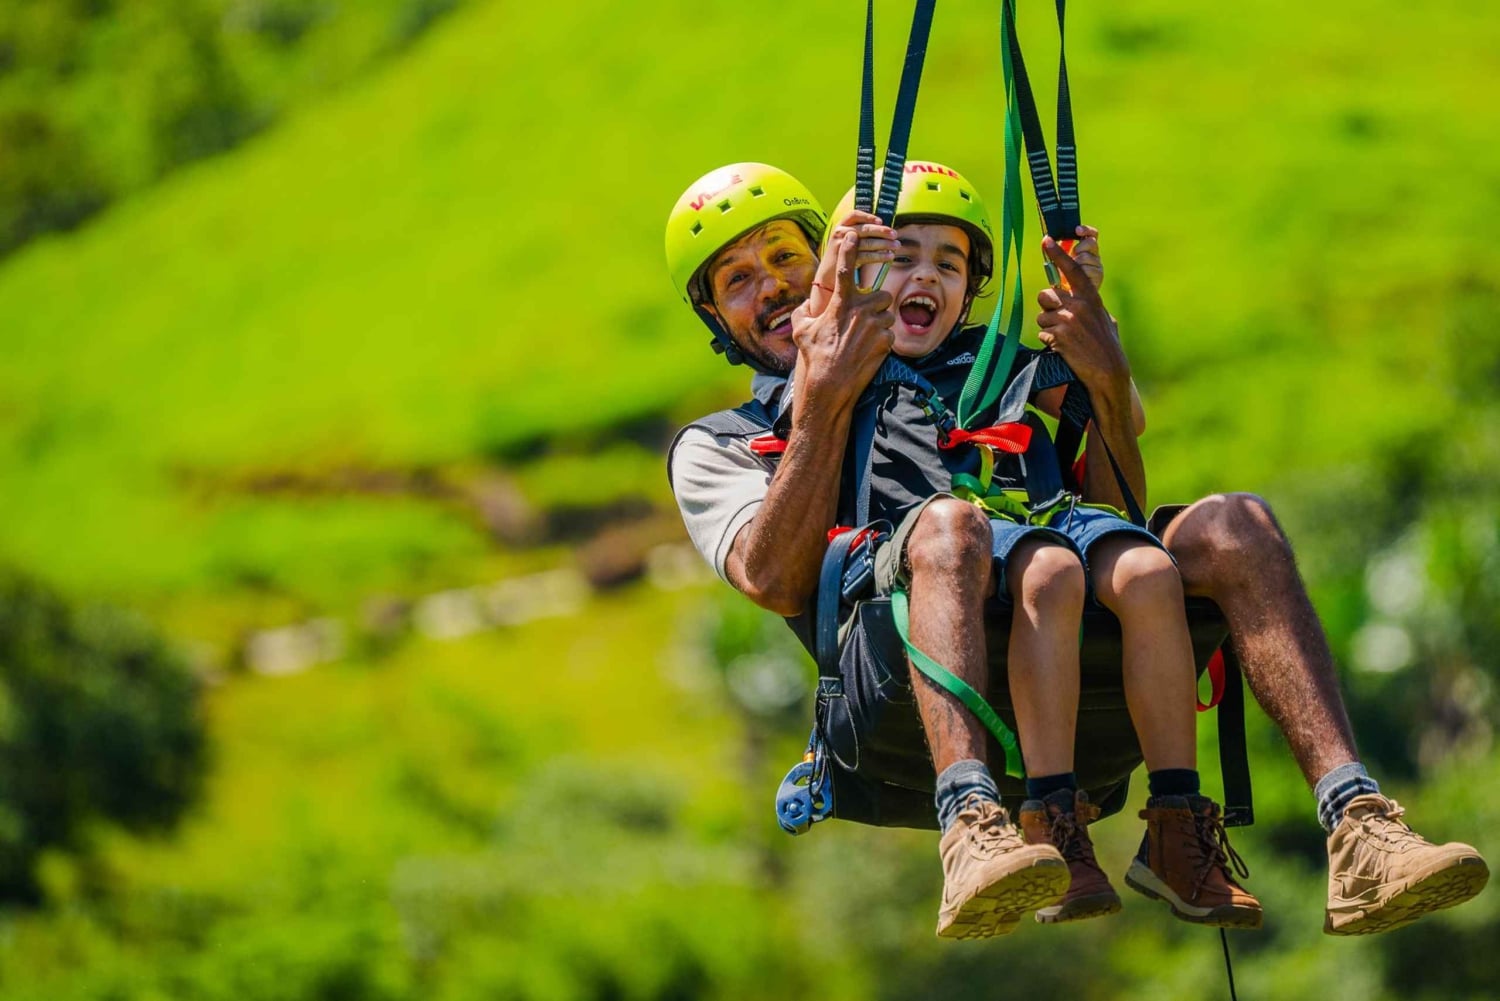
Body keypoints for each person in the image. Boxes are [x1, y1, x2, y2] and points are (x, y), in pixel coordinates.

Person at [664, 162, 1489, 938]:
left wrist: (1102, 379)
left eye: (783, 260)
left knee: (1234, 525)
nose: (769, 287)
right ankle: (974, 826)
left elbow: (1107, 506)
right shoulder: (721, 444)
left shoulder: (965, 362)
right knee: (952, 524)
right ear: (713, 318)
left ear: (830, 267)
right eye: (738, 281)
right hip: (900, 647)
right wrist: (824, 397)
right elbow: (772, 580)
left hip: (1050, 576)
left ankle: (1352, 822)